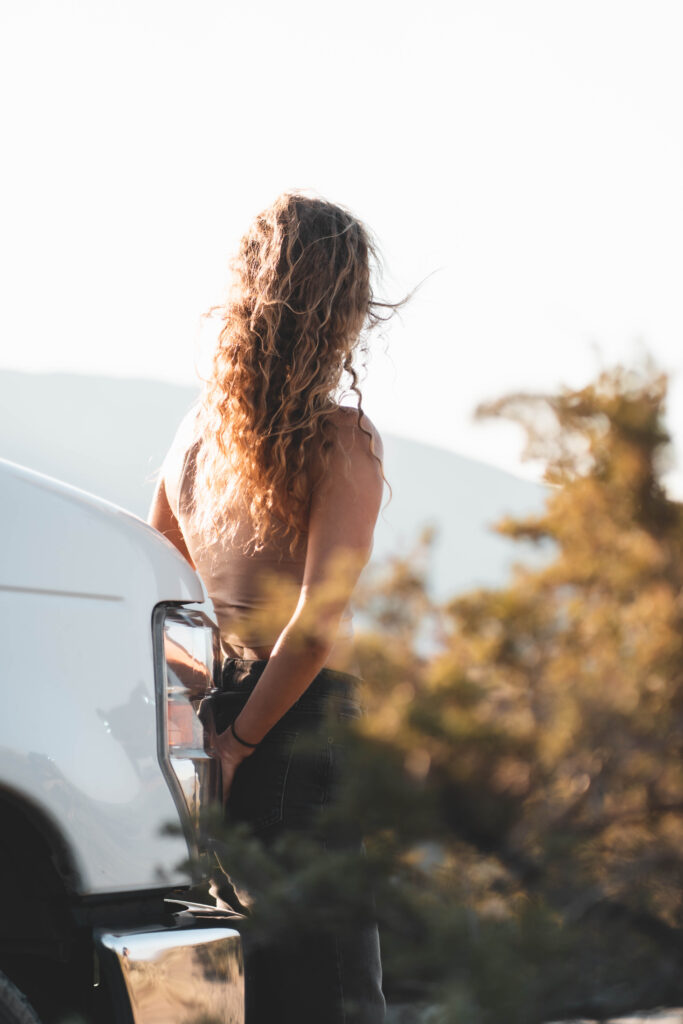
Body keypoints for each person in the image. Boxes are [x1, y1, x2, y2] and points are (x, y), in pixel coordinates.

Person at [149, 193, 397, 1023]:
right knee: (332, 987)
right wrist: (244, 742)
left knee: (259, 982)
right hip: (291, 722)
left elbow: (159, 587)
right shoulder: (340, 440)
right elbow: (316, 625)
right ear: (340, 312)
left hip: (212, 715)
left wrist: (206, 734)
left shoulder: (192, 439)